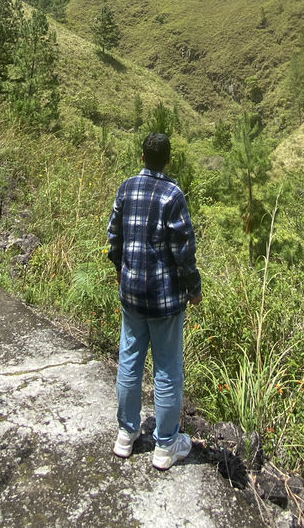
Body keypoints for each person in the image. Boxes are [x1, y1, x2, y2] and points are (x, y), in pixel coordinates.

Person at [107, 132, 202, 470]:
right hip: (164, 301)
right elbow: (183, 250)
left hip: (131, 294)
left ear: (142, 157)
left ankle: (125, 434)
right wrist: (194, 288)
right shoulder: (173, 194)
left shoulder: (126, 187)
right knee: (166, 369)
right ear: (169, 159)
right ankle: (165, 445)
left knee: (129, 361)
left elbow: (114, 235)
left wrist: (119, 269)